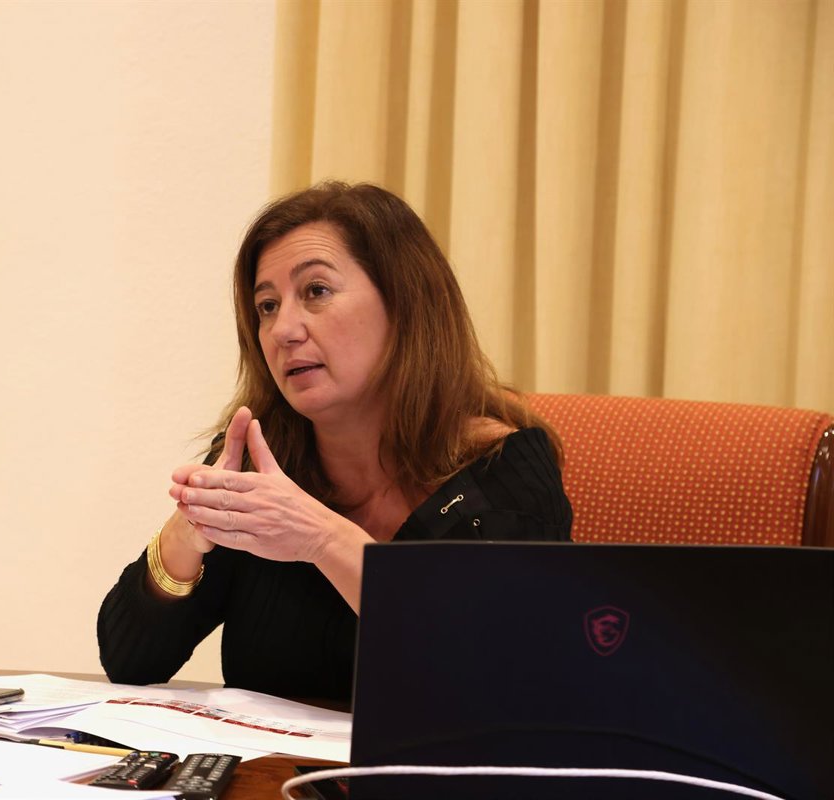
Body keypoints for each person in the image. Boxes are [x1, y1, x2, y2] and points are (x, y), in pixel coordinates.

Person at [97, 181, 572, 701]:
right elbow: (130, 661)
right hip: (267, 756)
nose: (283, 329)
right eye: (267, 306)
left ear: (404, 303)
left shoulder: (500, 470)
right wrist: (190, 530)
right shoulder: (264, 460)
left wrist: (322, 539)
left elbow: (505, 682)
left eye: (316, 291)